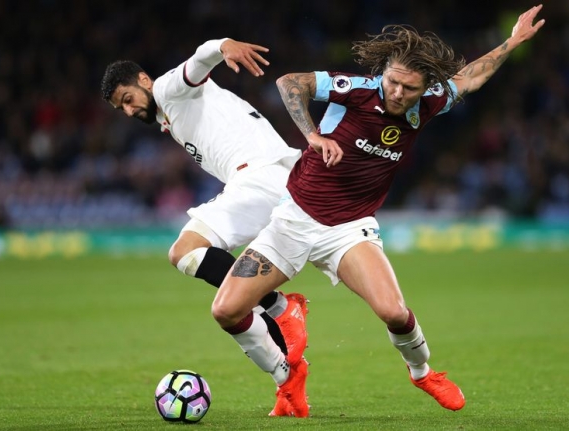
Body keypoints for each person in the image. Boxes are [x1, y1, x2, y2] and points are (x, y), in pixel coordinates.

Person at [211, 5, 546, 417]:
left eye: (408, 88)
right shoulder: (356, 89)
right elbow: (289, 83)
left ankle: (422, 372)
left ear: (425, 88)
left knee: (393, 311)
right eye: (392, 82)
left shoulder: (429, 102)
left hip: (350, 228)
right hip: (294, 219)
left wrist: (512, 41)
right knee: (226, 310)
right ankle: (287, 378)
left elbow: (471, 77)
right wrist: (312, 135)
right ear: (382, 74)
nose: (397, 93)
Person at [100, 38, 310, 416]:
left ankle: (279, 307)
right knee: (221, 295)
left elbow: (197, 63)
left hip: (261, 178)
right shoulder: (166, 112)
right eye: (121, 108)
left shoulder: (168, 88)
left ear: (144, 81)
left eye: (128, 99)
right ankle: (287, 378)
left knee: (184, 250)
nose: (129, 111)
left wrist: (222, 46)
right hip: (267, 180)